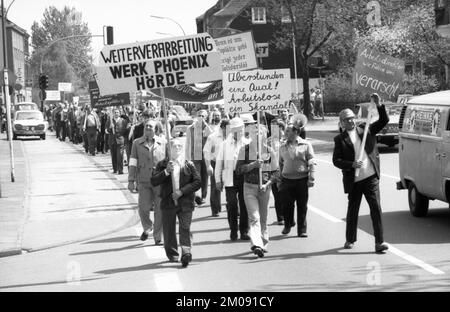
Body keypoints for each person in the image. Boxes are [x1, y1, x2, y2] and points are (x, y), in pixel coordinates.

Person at [332, 93, 389, 253]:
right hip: (354, 180)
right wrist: (351, 164)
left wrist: (378, 105)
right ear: (341, 123)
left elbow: (384, 121)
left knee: (376, 208)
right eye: (346, 119)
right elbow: (336, 160)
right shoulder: (339, 139)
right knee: (353, 210)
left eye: (351, 118)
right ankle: (350, 239)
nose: (350, 121)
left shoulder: (366, 129)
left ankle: (380, 242)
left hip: (370, 177)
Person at [151, 138, 201, 267]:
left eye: (180, 146)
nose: (177, 148)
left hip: (185, 201)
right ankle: (173, 254)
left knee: (185, 227)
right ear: (169, 149)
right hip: (168, 202)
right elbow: (154, 181)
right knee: (169, 230)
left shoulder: (188, 164)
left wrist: (182, 191)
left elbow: (197, 182)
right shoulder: (162, 164)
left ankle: (186, 252)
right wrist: (166, 171)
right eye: (174, 146)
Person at [236, 122, 279, 257]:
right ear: (250, 135)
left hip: (264, 188)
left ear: (264, 135)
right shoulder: (245, 150)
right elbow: (238, 170)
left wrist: (267, 184)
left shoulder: (269, 151)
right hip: (249, 187)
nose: (257, 134)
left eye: (260, 132)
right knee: (254, 217)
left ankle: (264, 241)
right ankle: (256, 244)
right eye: (254, 132)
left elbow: (276, 172)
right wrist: (253, 165)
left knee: (263, 218)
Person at [128, 120, 166, 245]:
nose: (148, 128)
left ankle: (157, 236)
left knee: (160, 210)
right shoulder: (136, 143)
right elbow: (133, 162)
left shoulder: (163, 142)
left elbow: (168, 162)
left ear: (156, 129)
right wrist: (131, 180)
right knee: (143, 208)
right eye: (146, 126)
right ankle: (147, 226)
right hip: (144, 181)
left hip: (160, 182)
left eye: (151, 126)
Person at [279, 114, 316, 237]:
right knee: (286, 205)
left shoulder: (306, 145)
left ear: (295, 132)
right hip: (286, 180)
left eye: (288, 131)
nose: (285, 133)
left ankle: (302, 230)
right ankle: (288, 224)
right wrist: (279, 179)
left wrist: (312, 177)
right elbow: (280, 163)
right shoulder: (282, 146)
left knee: (302, 206)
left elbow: (311, 161)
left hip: (302, 180)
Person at [215, 117, 251, 241]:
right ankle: (233, 230)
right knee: (232, 204)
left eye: (240, 130)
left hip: (244, 177)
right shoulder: (224, 144)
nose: (238, 133)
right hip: (230, 177)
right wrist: (217, 180)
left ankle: (244, 230)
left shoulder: (248, 143)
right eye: (235, 130)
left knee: (244, 204)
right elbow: (219, 163)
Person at [185, 109, 212, 205]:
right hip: (195, 156)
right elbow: (188, 143)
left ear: (206, 117)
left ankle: (203, 196)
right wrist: (187, 158)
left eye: (203, 116)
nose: (201, 117)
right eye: (199, 115)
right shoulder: (190, 128)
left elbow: (211, 136)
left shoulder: (207, 127)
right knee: (197, 177)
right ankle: (196, 196)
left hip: (205, 156)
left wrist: (205, 124)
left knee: (205, 177)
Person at [203, 118, 229, 217]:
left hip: (229, 163)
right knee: (215, 186)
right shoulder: (213, 137)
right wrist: (208, 165)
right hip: (216, 163)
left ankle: (232, 207)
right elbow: (206, 151)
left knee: (231, 186)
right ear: (222, 128)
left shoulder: (232, 137)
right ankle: (215, 209)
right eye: (227, 129)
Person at [107, 108, 129, 174]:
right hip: (112, 140)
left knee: (120, 155)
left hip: (120, 140)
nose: (116, 113)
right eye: (115, 112)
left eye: (117, 112)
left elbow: (126, 130)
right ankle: (115, 169)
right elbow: (106, 130)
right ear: (113, 113)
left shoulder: (123, 121)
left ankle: (120, 170)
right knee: (113, 156)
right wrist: (110, 128)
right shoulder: (109, 120)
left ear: (119, 113)